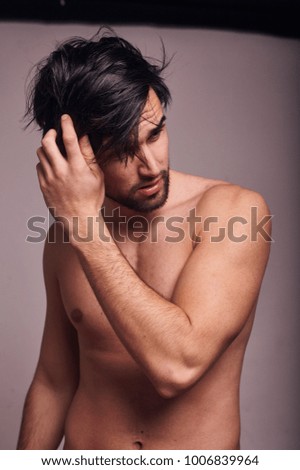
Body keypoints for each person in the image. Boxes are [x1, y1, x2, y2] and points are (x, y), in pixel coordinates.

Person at [17, 30, 272, 450]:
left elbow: (178, 365)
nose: (151, 166)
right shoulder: (67, 235)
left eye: (155, 135)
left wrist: (84, 229)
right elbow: (54, 380)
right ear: (75, 155)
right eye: (122, 151)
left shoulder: (235, 212)